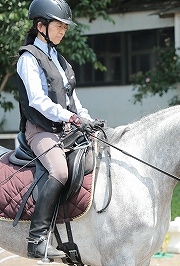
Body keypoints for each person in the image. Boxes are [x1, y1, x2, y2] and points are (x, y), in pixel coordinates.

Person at [16, 0, 102, 259]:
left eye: (65, 27)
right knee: (59, 171)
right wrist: (72, 118)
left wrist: (86, 119)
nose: (63, 31)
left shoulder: (60, 59)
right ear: (41, 26)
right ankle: (37, 238)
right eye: (59, 26)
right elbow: (38, 101)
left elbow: (73, 100)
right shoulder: (28, 58)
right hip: (40, 130)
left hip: (65, 128)